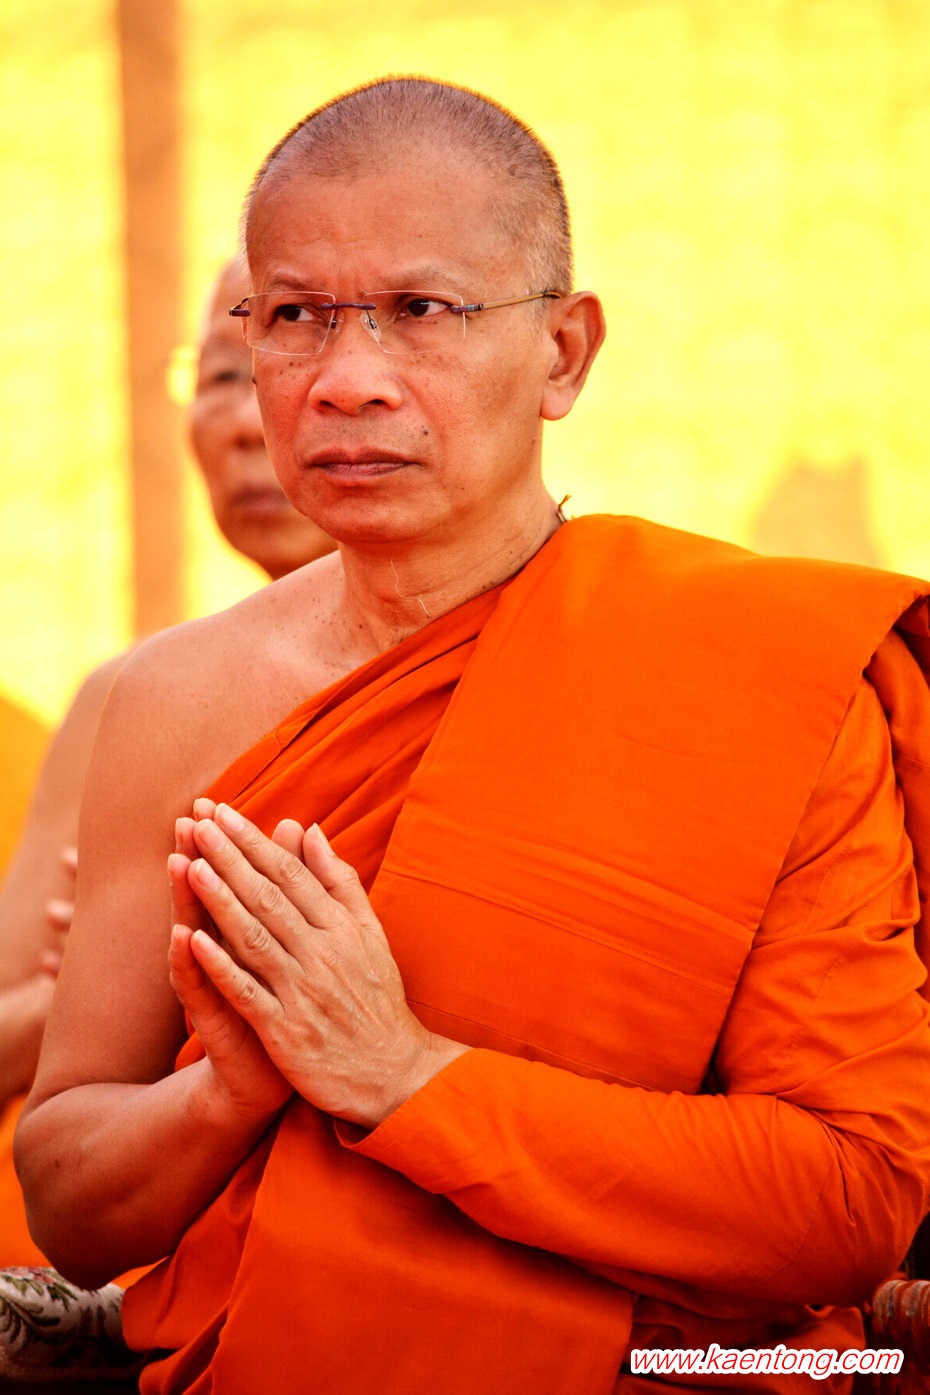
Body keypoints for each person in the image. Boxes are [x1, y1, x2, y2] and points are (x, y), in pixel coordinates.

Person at [15, 78, 930, 1394]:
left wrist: (402, 1073)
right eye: (293, 316)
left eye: (421, 311)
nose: (346, 383)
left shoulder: (757, 678)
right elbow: (71, 1200)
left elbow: (848, 1197)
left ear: (563, 353)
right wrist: (224, 1093)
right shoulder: (170, 701)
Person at [0, 256, 333, 1267]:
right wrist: (121, 980)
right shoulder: (131, 699)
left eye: (303, 359)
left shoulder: (520, 663)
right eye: (226, 373)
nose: (248, 423)